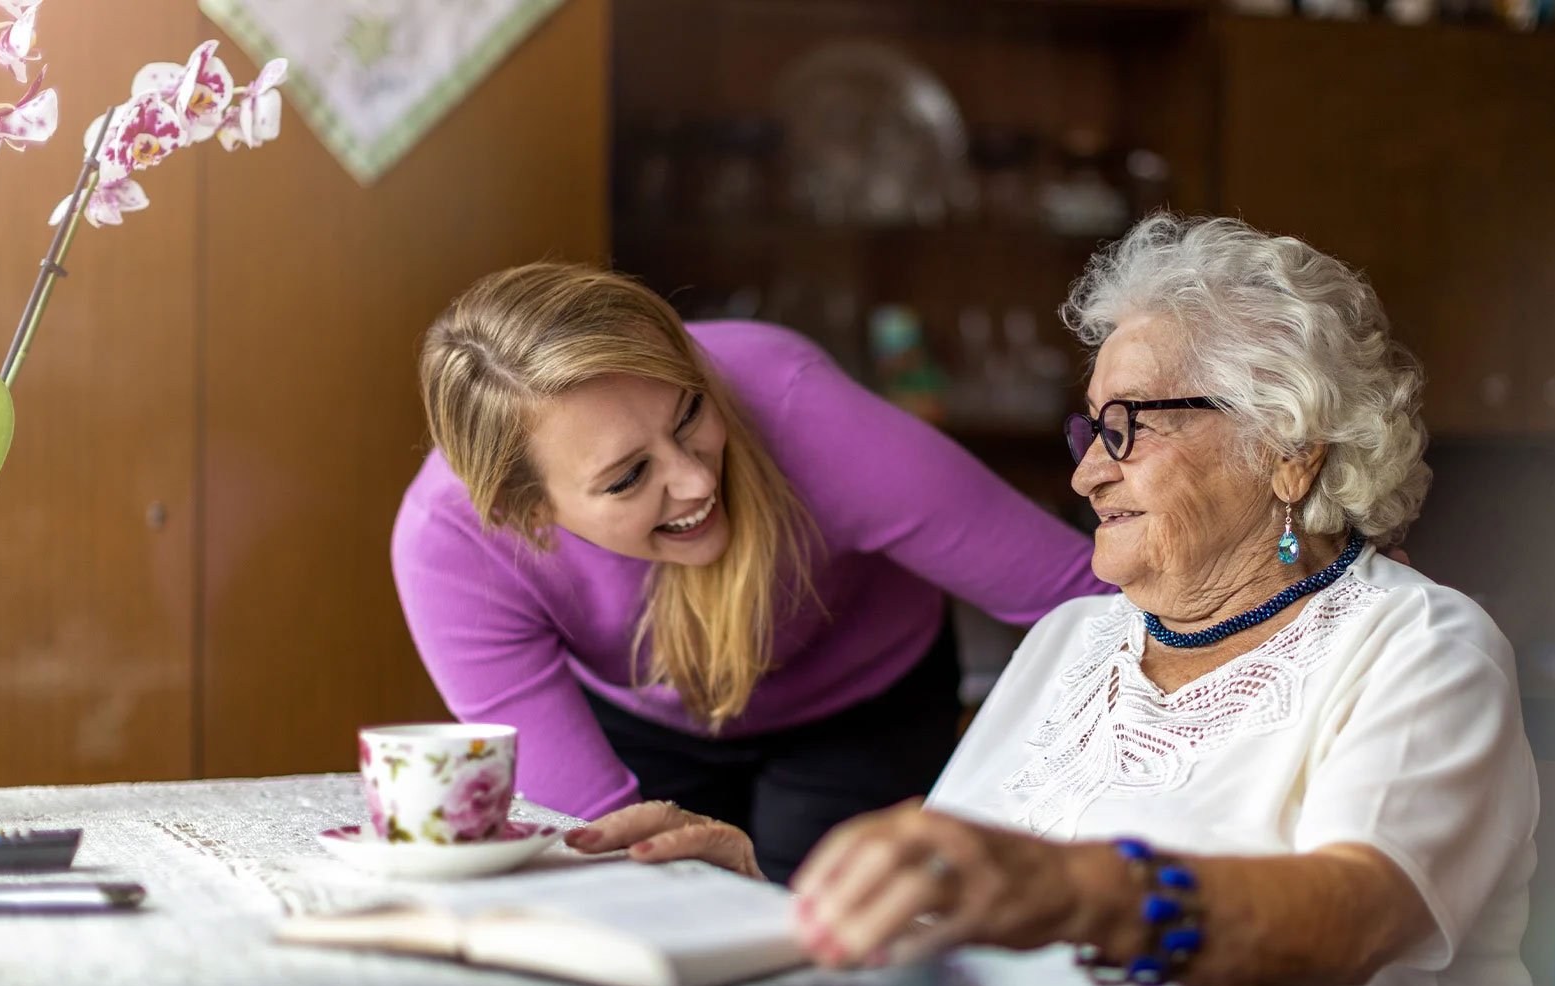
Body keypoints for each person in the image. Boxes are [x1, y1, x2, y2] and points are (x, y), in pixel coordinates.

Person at [572, 214, 1541, 986]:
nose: (1084, 474)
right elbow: (954, 908)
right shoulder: (1076, 640)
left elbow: (1348, 918)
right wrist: (772, 901)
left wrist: (1073, 886)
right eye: (1090, 429)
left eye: (1127, 429)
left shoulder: (1417, 644)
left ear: (1287, 450)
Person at [391, 265, 1107, 882]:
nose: (696, 481)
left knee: (839, 950)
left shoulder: (801, 408)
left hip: (862, 701)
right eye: (630, 477)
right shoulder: (450, 546)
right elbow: (601, 850)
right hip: (643, 719)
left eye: (689, 413)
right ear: (525, 512)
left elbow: (1094, 597)